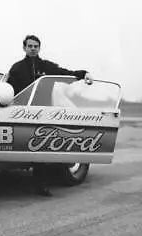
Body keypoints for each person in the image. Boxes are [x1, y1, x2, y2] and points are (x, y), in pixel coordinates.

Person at [6, 34, 93, 197]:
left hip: (43, 111)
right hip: (22, 112)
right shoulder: (17, 68)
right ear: (24, 48)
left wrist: (83, 74)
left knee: (41, 145)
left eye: (35, 46)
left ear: (39, 48)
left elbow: (65, 74)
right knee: (24, 144)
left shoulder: (46, 66)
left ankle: (41, 184)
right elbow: (8, 89)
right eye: (30, 46)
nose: (33, 48)